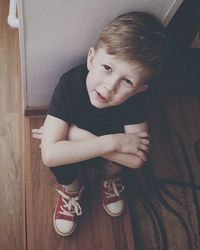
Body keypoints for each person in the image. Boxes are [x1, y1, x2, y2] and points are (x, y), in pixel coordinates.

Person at [32, 11, 168, 237]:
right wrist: (111, 142)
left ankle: (109, 179)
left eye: (127, 81)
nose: (110, 87)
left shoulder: (135, 101)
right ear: (91, 58)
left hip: (93, 149)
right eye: (107, 68)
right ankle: (72, 190)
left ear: (139, 89)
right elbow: (50, 156)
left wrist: (75, 134)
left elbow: (136, 160)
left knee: (110, 162)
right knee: (61, 164)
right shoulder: (70, 85)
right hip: (94, 149)